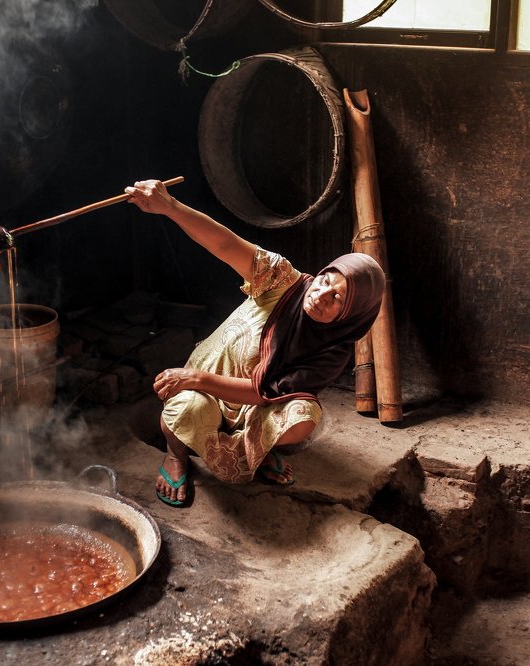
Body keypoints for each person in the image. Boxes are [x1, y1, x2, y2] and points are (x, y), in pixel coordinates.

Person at [125, 179, 386, 507]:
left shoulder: (333, 351)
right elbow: (224, 244)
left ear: (349, 315)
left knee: (304, 417)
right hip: (205, 392)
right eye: (325, 280)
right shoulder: (282, 280)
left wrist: (194, 378)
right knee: (188, 408)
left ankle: (256, 452)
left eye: (338, 298)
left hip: (251, 401)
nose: (321, 295)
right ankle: (176, 454)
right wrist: (169, 207)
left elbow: (266, 394)